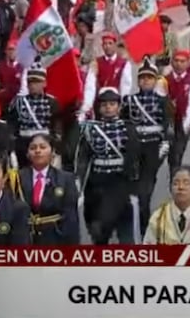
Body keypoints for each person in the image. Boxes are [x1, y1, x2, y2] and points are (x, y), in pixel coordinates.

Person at [73, 87, 141, 245]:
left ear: (118, 106)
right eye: (104, 105)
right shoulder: (91, 129)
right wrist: (79, 182)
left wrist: (133, 183)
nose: (108, 107)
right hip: (98, 182)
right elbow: (83, 158)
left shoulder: (128, 128)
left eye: (112, 104)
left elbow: (134, 156)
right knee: (98, 230)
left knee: (126, 232)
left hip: (120, 180)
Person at [121, 58, 169, 237]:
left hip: (152, 148)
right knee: (132, 191)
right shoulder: (130, 100)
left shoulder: (162, 101)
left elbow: (167, 126)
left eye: (150, 78)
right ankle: (133, 228)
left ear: (155, 80)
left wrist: (164, 148)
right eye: (143, 78)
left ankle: (144, 230)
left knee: (145, 192)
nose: (146, 81)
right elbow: (124, 122)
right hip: (134, 148)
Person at [143, 166, 190, 265]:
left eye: (186, 183)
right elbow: (147, 251)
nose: (180, 187)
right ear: (170, 188)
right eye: (175, 183)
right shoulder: (158, 216)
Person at [11, 134, 80, 245]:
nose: (38, 151)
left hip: (55, 237)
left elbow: (71, 217)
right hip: (25, 239)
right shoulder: (17, 178)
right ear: (28, 154)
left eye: (43, 147)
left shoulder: (65, 179)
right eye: (33, 148)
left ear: (52, 152)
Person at [5, 62, 61, 168]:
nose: (32, 85)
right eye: (30, 82)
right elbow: (12, 126)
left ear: (44, 83)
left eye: (36, 82)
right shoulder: (18, 102)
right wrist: (12, 146)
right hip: (23, 145)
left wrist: (55, 146)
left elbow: (56, 126)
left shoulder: (52, 102)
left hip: (45, 144)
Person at [163, 50, 190, 168]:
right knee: (170, 155)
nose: (179, 64)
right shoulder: (165, 80)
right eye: (176, 61)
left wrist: (186, 124)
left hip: (184, 121)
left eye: (182, 61)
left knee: (177, 153)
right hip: (168, 122)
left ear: (188, 63)